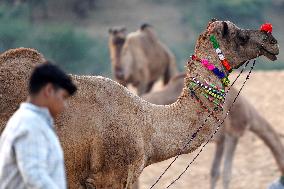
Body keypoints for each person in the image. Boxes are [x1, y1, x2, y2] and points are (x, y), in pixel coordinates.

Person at [0, 62, 77, 189]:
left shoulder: (30, 121)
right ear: (49, 90)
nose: (64, 105)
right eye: (63, 97)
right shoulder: (30, 124)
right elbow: (35, 176)